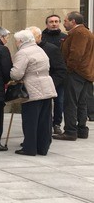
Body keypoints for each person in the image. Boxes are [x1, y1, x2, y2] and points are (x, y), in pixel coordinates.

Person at [10, 29, 57, 156]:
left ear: (20, 41)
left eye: (16, 41)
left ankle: (29, 148)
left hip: (32, 89)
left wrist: (11, 74)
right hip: (47, 87)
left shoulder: (23, 53)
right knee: (44, 120)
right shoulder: (39, 49)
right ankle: (42, 148)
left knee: (31, 120)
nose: (15, 43)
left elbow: (16, 74)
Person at [53, 11, 94, 141]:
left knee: (71, 103)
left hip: (76, 73)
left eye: (65, 21)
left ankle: (70, 131)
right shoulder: (85, 32)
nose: (63, 23)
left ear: (73, 21)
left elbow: (76, 53)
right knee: (81, 102)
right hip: (84, 73)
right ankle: (81, 129)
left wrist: (68, 69)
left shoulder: (79, 33)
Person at [30, 25, 67, 135]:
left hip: (54, 81)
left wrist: (52, 83)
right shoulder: (27, 49)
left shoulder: (51, 48)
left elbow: (61, 69)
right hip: (36, 84)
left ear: (39, 36)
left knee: (58, 102)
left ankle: (56, 124)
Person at [41, 13, 67, 133]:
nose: (54, 24)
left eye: (56, 21)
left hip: (59, 74)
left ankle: (57, 124)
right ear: (47, 24)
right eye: (51, 22)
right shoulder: (41, 37)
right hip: (43, 74)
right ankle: (44, 123)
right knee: (44, 101)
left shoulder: (65, 37)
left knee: (59, 101)